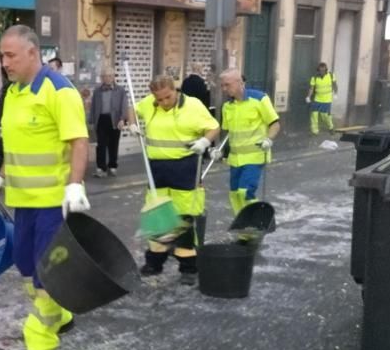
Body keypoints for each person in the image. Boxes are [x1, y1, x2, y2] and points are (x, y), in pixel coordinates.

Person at [0, 25, 91, 350]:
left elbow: (78, 142)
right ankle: (60, 315)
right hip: (22, 202)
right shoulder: (13, 94)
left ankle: (38, 348)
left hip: (52, 203)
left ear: (33, 52)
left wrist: (74, 186)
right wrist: (1, 176)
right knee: (27, 267)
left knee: (46, 274)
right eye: (2, 56)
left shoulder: (59, 91)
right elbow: (15, 146)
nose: (4, 63)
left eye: (10, 55)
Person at [130, 75, 220, 285]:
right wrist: (133, 124)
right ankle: (155, 262)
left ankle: (188, 265)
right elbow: (132, 109)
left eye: (167, 97)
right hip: (157, 168)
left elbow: (213, 126)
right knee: (157, 215)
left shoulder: (193, 105)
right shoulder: (150, 103)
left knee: (184, 217)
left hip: (185, 167)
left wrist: (205, 141)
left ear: (175, 90)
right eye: (159, 99)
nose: (163, 103)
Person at [213, 69, 280, 216]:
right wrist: (220, 150)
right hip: (235, 159)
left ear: (240, 83)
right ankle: (243, 226)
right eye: (222, 86)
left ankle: (257, 219)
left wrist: (268, 139)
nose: (224, 89)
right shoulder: (227, 107)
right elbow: (228, 134)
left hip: (255, 156)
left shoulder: (260, 99)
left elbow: (275, 124)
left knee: (245, 192)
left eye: (227, 85)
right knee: (234, 194)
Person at [88, 68, 130, 177]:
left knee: (113, 144)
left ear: (113, 77)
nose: (107, 78)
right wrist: (91, 121)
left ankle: (112, 166)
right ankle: (101, 168)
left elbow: (124, 105)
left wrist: (123, 119)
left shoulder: (120, 90)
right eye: (105, 76)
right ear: (102, 78)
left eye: (110, 76)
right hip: (101, 119)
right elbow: (93, 106)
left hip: (115, 119)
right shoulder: (97, 90)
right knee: (101, 144)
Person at [306, 62, 338, 135]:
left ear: (326, 70)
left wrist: (335, 94)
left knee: (325, 116)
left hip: (327, 99)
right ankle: (315, 131)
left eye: (323, 70)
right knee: (314, 115)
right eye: (320, 70)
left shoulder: (331, 75)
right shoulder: (314, 78)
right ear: (318, 70)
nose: (322, 72)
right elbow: (311, 88)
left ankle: (331, 127)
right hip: (317, 99)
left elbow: (335, 85)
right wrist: (308, 96)